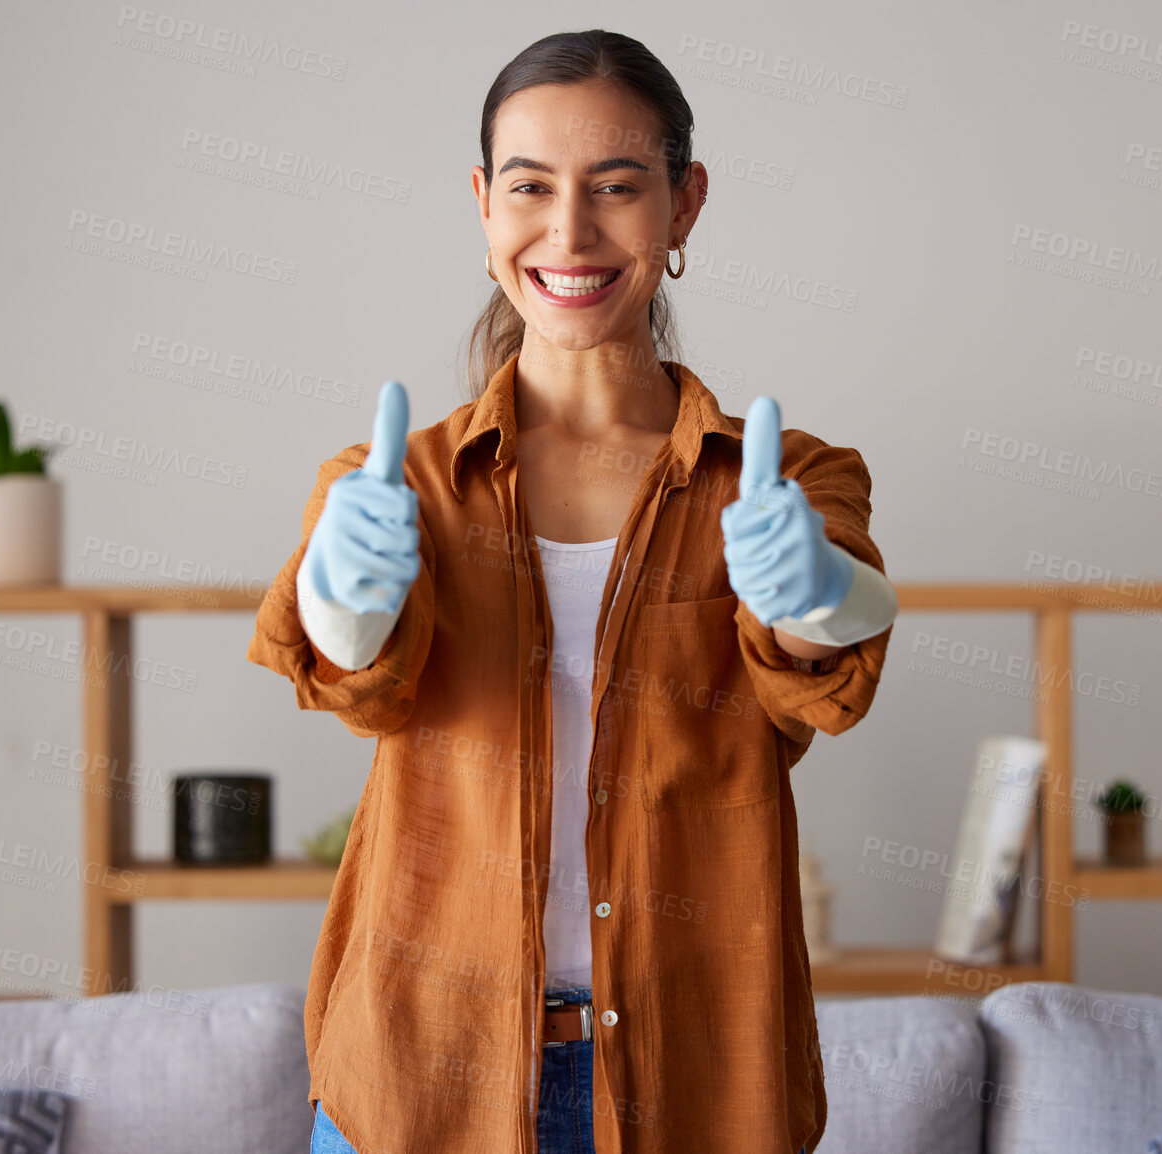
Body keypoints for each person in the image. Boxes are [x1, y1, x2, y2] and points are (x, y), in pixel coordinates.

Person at [248, 28, 897, 1154]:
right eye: (530, 187)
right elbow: (358, 683)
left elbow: (821, 672)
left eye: (618, 187)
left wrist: (820, 593)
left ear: (684, 205)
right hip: (417, 1086)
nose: (569, 231)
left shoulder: (789, 480)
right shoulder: (394, 483)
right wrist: (344, 601)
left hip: (694, 1092)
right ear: (482, 205)